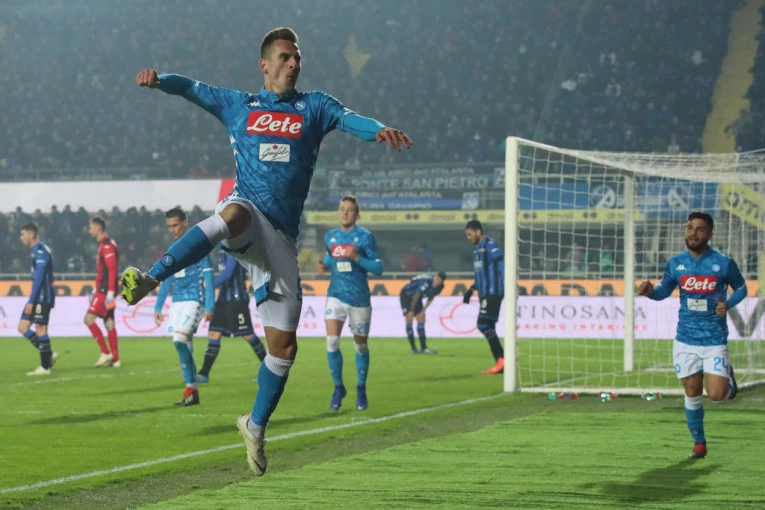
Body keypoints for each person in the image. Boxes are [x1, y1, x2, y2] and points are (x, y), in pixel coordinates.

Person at [120, 27, 411, 476]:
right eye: (285, 57)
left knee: (284, 348)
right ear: (265, 64)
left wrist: (378, 131)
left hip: (281, 241)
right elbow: (192, 88)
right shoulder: (239, 105)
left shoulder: (315, 106)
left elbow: (351, 118)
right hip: (248, 212)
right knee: (234, 214)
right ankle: (151, 276)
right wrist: (160, 81)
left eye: (298, 58)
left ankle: (254, 425)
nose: (294, 63)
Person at [638, 212, 745, 459]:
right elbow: (664, 290)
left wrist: (727, 304)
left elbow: (741, 288)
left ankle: (727, 377)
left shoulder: (723, 263)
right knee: (692, 391)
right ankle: (699, 443)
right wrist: (650, 291)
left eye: (699, 229)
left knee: (717, 396)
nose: (692, 233)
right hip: (685, 338)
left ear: (709, 234)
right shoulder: (676, 263)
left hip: (714, 339)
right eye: (689, 228)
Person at [316, 195, 383, 412]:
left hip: (359, 299)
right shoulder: (330, 237)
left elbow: (378, 268)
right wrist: (324, 265)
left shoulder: (365, 237)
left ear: (357, 214)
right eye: (342, 209)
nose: (345, 213)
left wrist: (357, 258)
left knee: (360, 346)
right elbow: (330, 257)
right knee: (332, 342)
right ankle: (338, 388)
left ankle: (361, 388)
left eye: (350, 209)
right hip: (335, 295)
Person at [153, 207, 215, 406]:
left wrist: (210, 306)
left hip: (194, 301)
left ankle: (191, 384)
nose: (172, 229)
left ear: (185, 222)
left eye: (175, 225)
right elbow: (167, 279)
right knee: (183, 344)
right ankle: (191, 391)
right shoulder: (172, 249)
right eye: (169, 226)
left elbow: (209, 278)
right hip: (177, 304)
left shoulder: (199, 246)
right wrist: (158, 306)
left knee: (179, 340)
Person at [197, 248, 267, 383]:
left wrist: (210, 286)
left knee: (247, 334)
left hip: (236, 299)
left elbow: (228, 273)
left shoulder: (234, 248)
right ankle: (204, 374)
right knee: (214, 333)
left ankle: (269, 372)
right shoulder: (221, 250)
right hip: (223, 299)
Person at [462, 220, 505, 374]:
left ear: (478, 231)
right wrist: (471, 289)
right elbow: (480, 273)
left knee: (482, 325)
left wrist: (508, 280)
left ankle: (503, 359)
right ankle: (500, 363)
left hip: (493, 292)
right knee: (489, 327)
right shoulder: (476, 250)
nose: (468, 238)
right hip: (484, 293)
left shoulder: (490, 245)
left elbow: (502, 264)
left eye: (470, 234)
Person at [18, 223, 59, 375]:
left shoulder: (41, 251)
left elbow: (40, 278)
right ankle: (49, 355)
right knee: (23, 327)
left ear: (32, 235)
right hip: (37, 296)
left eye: (23, 234)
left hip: (43, 296)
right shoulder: (35, 251)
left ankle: (45, 367)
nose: (21, 238)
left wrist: (31, 301)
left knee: (40, 328)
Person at [85, 217, 121, 368]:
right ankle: (116, 359)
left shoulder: (106, 245)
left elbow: (112, 269)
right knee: (109, 321)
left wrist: (110, 292)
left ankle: (105, 353)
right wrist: (96, 288)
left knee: (89, 319)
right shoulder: (108, 243)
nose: (89, 231)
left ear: (98, 228)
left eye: (91, 228)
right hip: (104, 289)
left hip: (105, 290)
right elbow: (104, 270)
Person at [399, 272, 446, 354]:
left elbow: (431, 297)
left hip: (417, 298)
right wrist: (412, 310)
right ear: (434, 277)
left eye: (439, 281)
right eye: (436, 279)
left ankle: (423, 348)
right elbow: (416, 295)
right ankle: (414, 348)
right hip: (406, 295)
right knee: (409, 317)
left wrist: (424, 309)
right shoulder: (425, 283)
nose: (437, 282)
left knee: (421, 317)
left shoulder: (440, 287)